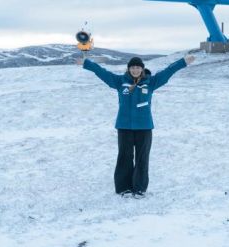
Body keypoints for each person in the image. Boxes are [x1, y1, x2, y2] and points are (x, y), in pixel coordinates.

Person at [77, 54, 195, 198]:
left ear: (142, 69)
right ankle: (123, 188)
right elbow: (103, 73)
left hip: (144, 127)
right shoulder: (120, 81)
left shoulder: (150, 82)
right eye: (132, 67)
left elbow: (168, 72)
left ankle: (139, 188)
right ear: (128, 69)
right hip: (124, 127)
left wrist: (183, 62)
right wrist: (87, 63)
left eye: (138, 67)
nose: (135, 70)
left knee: (142, 158)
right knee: (124, 157)